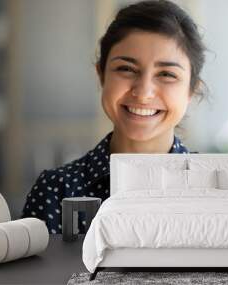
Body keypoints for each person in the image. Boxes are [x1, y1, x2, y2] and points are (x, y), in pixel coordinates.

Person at [21, 0, 207, 234]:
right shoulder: (56, 190)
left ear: (191, 90)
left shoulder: (213, 189)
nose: (143, 92)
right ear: (101, 75)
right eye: (126, 69)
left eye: (167, 74)